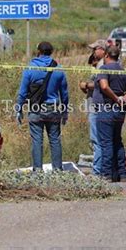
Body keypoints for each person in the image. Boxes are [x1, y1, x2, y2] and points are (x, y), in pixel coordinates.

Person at [16, 42, 69, 171]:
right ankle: (57, 170)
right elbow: (64, 93)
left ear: (38, 51)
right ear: (51, 52)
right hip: (53, 108)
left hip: (35, 109)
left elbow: (22, 92)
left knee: (37, 141)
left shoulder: (30, 69)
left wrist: (19, 109)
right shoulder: (58, 69)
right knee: (55, 140)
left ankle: (38, 171)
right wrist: (65, 110)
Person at [93, 45, 126, 182]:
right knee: (117, 141)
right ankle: (121, 174)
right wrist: (123, 98)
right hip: (120, 111)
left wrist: (116, 98)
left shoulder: (104, 69)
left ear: (106, 56)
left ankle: (107, 175)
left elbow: (104, 86)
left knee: (106, 143)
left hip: (107, 108)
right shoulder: (123, 71)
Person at [79, 40, 106, 175]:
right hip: (95, 104)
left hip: (97, 106)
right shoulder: (98, 65)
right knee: (101, 139)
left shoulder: (103, 66)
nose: (93, 52)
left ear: (102, 50)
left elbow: (102, 85)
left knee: (97, 139)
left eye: (95, 49)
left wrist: (86, 85)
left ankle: (98, 171)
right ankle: (104, 168)